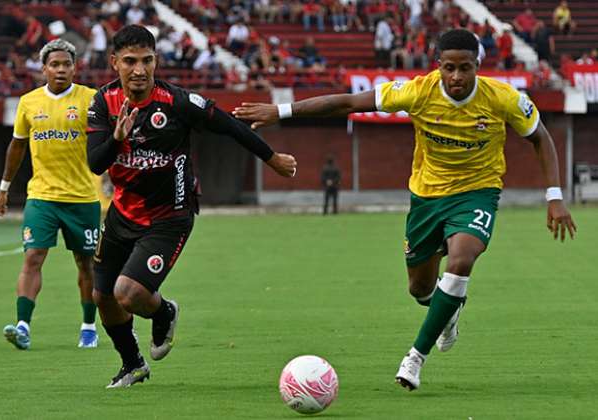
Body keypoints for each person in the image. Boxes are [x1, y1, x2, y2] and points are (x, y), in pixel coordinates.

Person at [233, 29, 577, 391]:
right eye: (449, 68)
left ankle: (415, 358)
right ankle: (449, 309)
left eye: (465, 68)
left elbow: (540, 136)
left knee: (462, 260)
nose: (456, 77)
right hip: (426, 198)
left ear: (478, 66)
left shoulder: (503, 98)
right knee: (420, 289)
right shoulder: (417, 91)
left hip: (478, 193)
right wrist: (282, 110)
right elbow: (348, 102)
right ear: (438, 66)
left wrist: (554, 195)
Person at [86, 25, 297, 388]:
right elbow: (95, 163)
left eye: (147, 60)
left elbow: (229, 125)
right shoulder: (103, 103)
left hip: (170, 216)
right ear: (114, 62)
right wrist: (117, 139)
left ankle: (164, 311)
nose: (140, 70)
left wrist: (272, 157)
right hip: (123, 214)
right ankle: (133, 365)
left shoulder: (177, 102)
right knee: (102, 296)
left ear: (157, 61)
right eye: (130, 61)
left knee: (128, 293)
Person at [0, 39, 101, 351]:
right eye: (54, 64)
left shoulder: (90, 100)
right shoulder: (29, 102)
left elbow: (107, 142)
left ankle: (88, 326)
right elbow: (17, 147)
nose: (61, 69)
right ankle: (23, 325)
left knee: (86, 264)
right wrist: (3, 188)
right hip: (42, 196)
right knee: (33, 257)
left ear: (74, 67)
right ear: (44, 69)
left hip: (82, 197)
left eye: (66, 64)